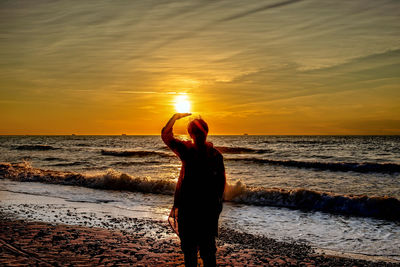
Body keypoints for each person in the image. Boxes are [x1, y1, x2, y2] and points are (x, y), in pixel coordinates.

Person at [161, 113, 226, 267]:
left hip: (207, 209)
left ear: (206, 132)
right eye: (195, 133)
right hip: (187, 207)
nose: (198, 136)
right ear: (190, 134)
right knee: (189, 251)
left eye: (201, 132)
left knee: (208, 252)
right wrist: (174, 117)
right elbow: (166, 136)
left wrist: (218, 202)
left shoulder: (215, 155)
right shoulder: (187, 150)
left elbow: (220, 182)